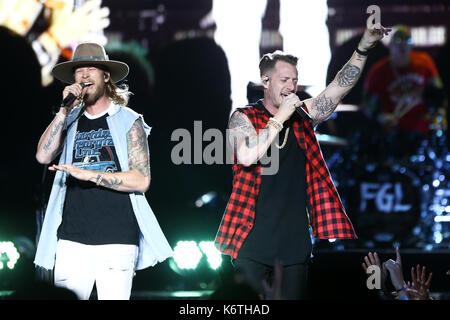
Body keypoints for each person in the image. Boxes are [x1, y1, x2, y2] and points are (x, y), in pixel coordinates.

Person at [214, 21, 391, 299]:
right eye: (284, 80)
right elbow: (248, 156)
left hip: (294, 245)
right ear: (266, 81)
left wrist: (363, 48)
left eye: (295, 80)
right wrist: (280, 117)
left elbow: (338, 88)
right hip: (252, 243)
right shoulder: (243, 117)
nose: (292, 86)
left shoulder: (304, 116)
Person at [33, 42, 173, 300]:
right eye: (79, 70)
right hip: (71, 241)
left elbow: (141, 180)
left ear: (106, 76)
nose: (84, 75)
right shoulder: (69, 120)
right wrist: (64, 110)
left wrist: (91, 175)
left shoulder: (129, 120)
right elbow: (43, 155)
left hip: (117, 241)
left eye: (91, 68)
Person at [363, 25, 446, 159]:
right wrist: (380, 117)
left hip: (423, 128)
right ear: (390, 45)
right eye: (398, 41)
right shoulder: (378, 71)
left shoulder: (424, 62)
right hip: (395, 131)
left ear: (412, 44)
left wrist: (440, 114)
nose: (402, 45)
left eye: (406, 41)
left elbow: (439, 93)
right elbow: (367, 104)